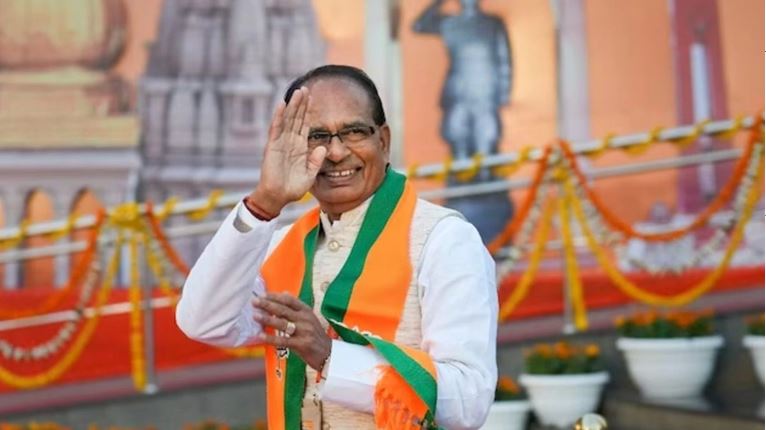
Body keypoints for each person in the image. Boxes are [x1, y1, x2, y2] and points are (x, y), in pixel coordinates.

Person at [176, 65, 498, 430]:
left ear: (384, 141)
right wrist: (265, 202)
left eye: (354, 132)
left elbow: (469, 398)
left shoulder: (443, 240)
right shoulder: (281, 245)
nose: (335, 152)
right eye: (317, 137)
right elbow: (204, 323)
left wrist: (331, 357)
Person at [413, 0, 512, 163]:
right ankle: (460, 175)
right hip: (458, 93)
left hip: (485, 94)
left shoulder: (493, 24)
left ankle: (486, 175)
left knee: (487, 142)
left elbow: (504, 60)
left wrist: (504, 93)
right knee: (458, 140)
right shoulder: (450, 23)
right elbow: (419, 26)